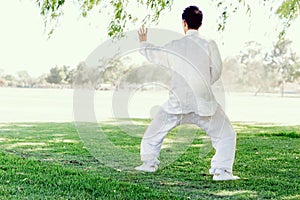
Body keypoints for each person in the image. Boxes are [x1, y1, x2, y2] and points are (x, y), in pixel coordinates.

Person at [135, 5, 239, 181]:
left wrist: (143, 43)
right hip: (204, 102)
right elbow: (217, 71)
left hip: (177, 102)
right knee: (226, 134)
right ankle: (222, 171)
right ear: (200, 24)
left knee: (153, 132)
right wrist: (203, 82)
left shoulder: (175, 45)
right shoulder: (209, 44)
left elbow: (155, 55)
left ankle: (148, 164)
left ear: (184, 23)